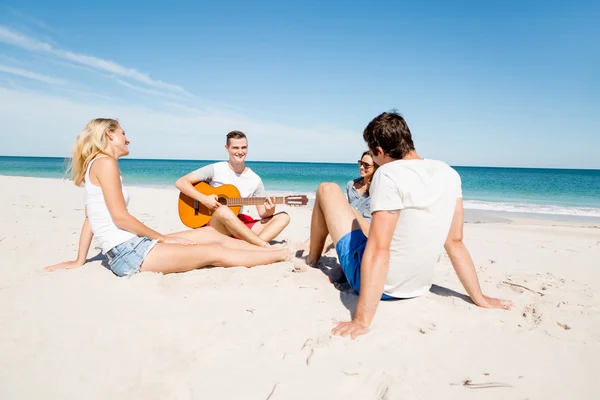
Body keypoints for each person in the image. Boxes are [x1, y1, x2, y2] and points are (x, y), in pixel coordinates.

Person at [296, 111, 513, 339]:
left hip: (383, 287)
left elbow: (379, 249)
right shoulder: (449, 174)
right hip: (418, 285)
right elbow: (455, 242)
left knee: (327, 189)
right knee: (349, 210)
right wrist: (479, 297)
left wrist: (361, 320)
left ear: (379, 151)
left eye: (372, 154)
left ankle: (312, 259)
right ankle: (318, 258)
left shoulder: (388, 174)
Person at [45, 119, 289, 276]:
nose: (127, 138)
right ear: (109, 135)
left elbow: (91, 217)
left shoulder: (99, 164)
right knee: (214, 251)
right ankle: (280, 254)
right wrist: (161, 238)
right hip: (129, 253)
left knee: (211, 234)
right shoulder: (105, 163)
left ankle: (263, 250)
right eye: (123, 133)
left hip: (133, 244)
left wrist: (79, 260)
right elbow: (120, 217)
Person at [175, 130, 290, 248]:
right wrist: (204, 199)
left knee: (283, 217)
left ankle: (251, 246)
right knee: (224, 210)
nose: (240, 152)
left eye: (243, 147)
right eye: (235, 148)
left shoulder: (255, 179)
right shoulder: (216, 169)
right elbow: (181, 182)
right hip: (217, 225)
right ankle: (257, 245)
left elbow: (263, 214)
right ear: (227, 148)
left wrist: (270, 210)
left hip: (241, 225)